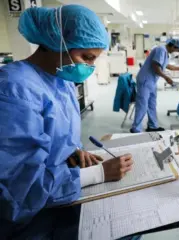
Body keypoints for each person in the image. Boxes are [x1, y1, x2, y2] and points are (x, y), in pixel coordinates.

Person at [0, 5, 134, 239]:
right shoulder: (14, 89)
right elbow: (19, 191)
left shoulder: (61, 82)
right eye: (86, 57)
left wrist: (71, 152)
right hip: (30, 221)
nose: (90, 68)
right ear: (56, 41)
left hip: (59, 193)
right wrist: (98, 174)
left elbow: (53, 138)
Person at [130, 38, 179, 133]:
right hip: (145, 80)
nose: (175, 52)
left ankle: (152, 126)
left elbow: (167, 66)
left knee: (152, 104)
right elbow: (155, 66)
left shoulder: (165, 53)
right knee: (142, 104)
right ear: (173, 46)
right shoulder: (160, 50)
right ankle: (135, 128)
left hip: (152, 81)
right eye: (176, 50)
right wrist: (166, 78)